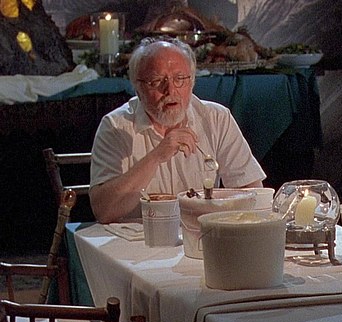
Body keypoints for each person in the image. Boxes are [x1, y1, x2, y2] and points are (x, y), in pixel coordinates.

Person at [89, 37, 266, 223]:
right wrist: (156, 157)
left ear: (192, 82)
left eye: (179, 79)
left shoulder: (216, 118)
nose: (170, 90)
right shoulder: (116, 126)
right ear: (138, 88)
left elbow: (253, 192)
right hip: (140, 237)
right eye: (157, 81)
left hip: (203, 234)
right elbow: (103, 211)